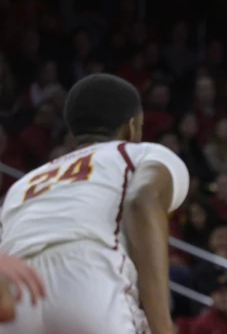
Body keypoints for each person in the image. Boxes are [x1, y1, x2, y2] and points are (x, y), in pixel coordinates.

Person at [0, 73, 189, 334]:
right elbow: (143, 202)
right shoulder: (140, 153)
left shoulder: (23, 184)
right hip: (87, 278)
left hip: (18, 292)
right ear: (131, 127)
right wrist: (163, 327)